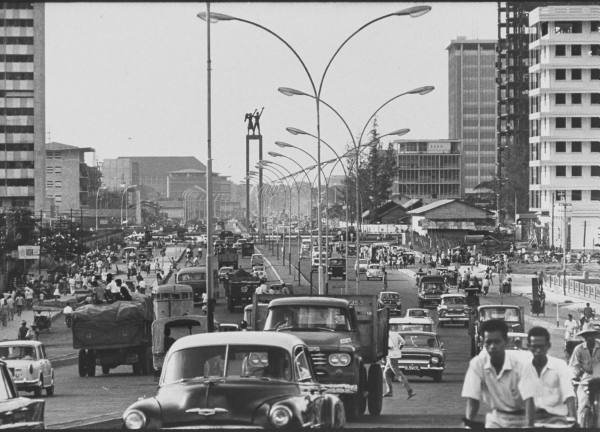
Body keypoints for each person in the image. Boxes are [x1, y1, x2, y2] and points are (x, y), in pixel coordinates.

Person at [461, 319, 530, 428]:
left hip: (523, 418)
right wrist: (468, 424)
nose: (493, 346)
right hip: (497, 418)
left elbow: (530, 400)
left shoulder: (520, 365)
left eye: (497, 342)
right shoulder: (477, 364)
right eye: (488, 342)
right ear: (483, 342)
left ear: (506, 341)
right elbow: (472, 399)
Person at [519, 326, 576, 427]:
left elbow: (569, 395)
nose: (538, 350)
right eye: (534, 346)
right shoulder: (523, 368)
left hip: (556, 420)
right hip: (531, 419)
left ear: (548, 346)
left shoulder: (560, 365)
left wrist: (573, 421)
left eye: (541, 346)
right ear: (528, 346)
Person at [568, 325, 600, 426]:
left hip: (599, 381)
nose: (589, 338)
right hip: (585, 382)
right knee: (582, 407)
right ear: (584, 337)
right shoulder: (579, 349)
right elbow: (574, 366)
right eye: (587, 336)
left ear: (595, 336)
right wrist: (576, 375)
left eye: (591, 335)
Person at [383, 332, 416, 399]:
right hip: (394, 356)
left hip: (391, 356)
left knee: (399, 375)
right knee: (386, 373)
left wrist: (384, 348)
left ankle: (410, 391)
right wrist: (398, 349)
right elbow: (403, 342)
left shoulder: (387, 335)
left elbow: (390, 346)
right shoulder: (395, 333)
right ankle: (390, 391)